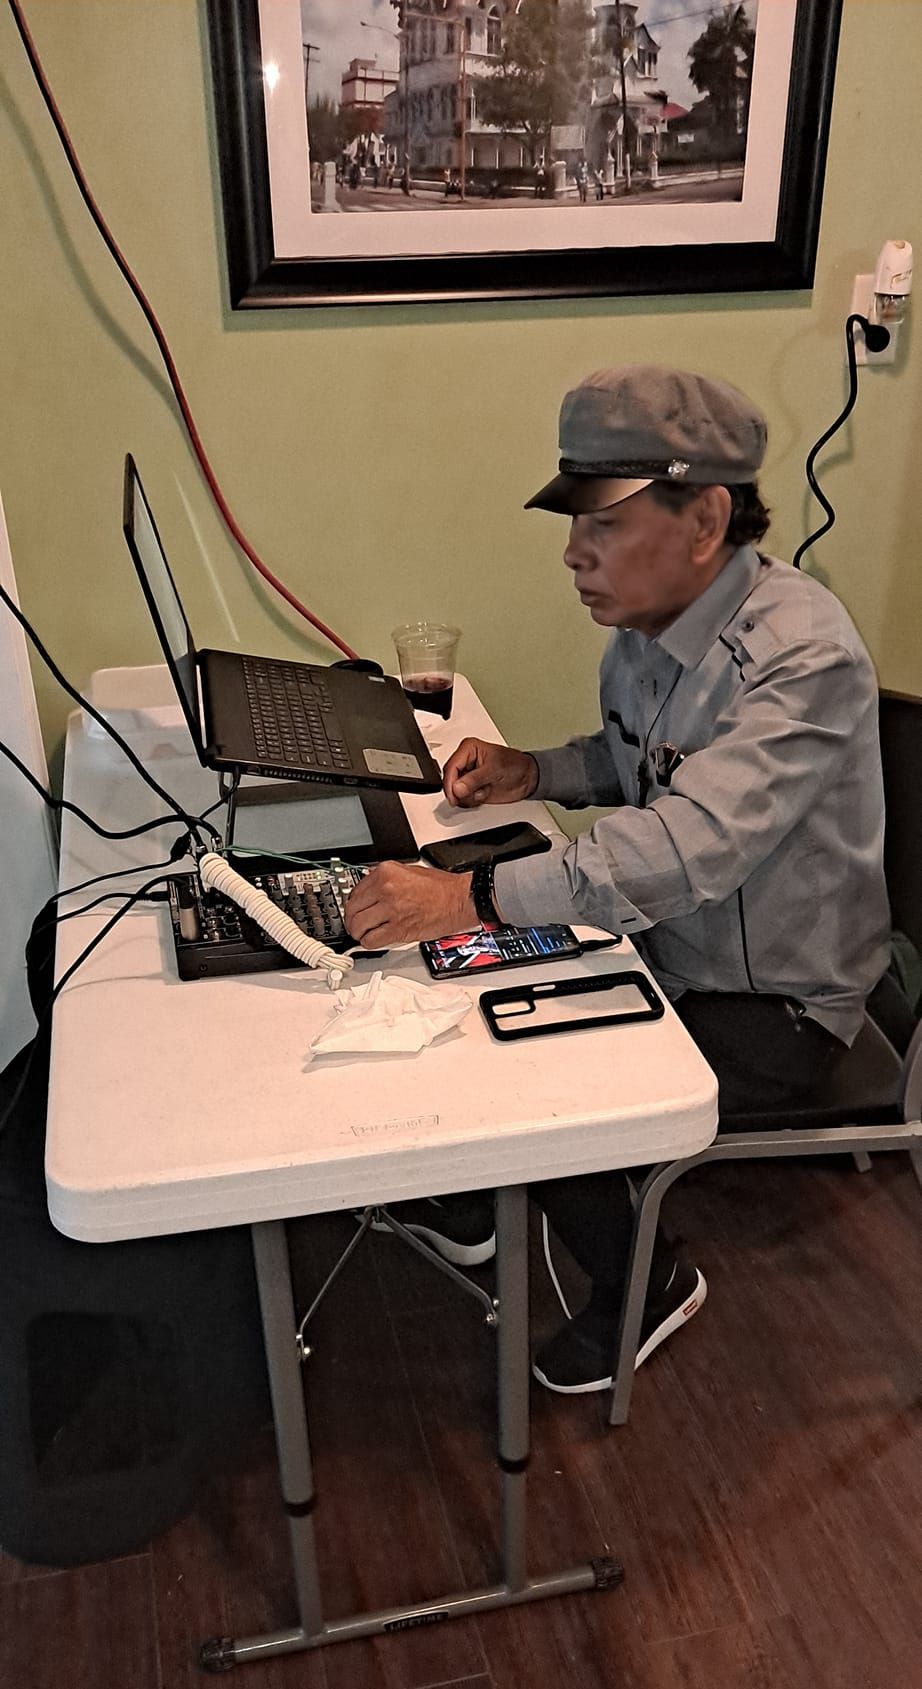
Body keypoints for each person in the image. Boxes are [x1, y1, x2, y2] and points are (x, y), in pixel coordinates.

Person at [344, 364, 891, 1394]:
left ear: (705, 520)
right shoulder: (649, 633)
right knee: (476, 990)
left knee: (544, 1080)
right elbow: (639, 759)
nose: (572, 551)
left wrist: (465, 896)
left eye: (603, 523)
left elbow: (688, 845)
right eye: (573, 522)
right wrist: (537, 771)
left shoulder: (800, 656)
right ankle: (478, 1197)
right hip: (672, 949)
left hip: (776, 1006)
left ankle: (650, 1282)